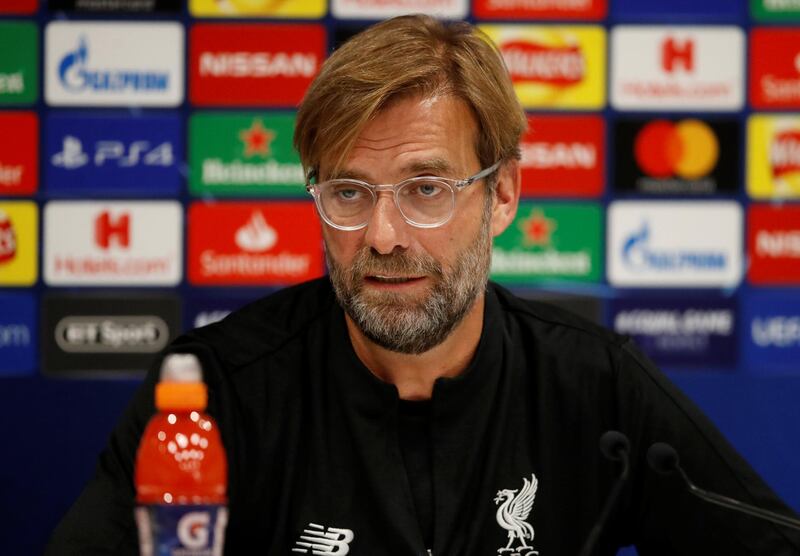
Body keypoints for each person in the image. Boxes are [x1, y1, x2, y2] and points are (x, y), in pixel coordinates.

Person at [47, 15, 800, 556]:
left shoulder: (595, 388)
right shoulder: (214, 394)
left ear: (501, 196)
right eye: (348, 191)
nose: (381, 235)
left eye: (426, 188)